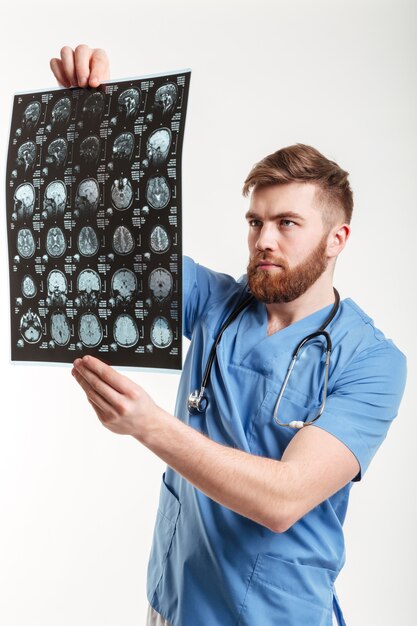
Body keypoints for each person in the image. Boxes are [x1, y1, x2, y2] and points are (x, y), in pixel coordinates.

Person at [51, 45, 407, 626]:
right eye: (255, 222)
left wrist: (147, 425)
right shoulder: (215, 302)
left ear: (337, 238)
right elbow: (117, 242)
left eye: (287, 223)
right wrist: (84, 119)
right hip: (172, 603)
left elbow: (284, 498)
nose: (264, 239)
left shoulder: (371, 362)